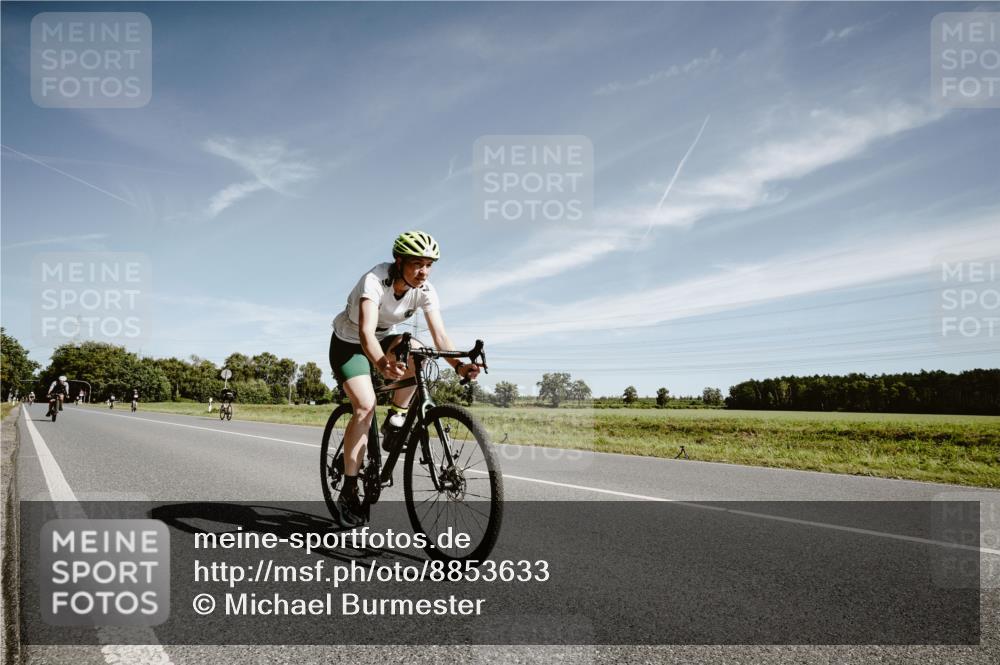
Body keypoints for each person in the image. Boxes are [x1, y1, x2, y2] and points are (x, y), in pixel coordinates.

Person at [329, 231, 479, 527]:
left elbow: (440, 336)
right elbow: (365, 333)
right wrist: (383, 363)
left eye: (429, 264)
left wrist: (459, 366)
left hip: (384, 339)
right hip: (350, 343)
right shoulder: (375, 280)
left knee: (420, 350)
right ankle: (348, 490)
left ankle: (397, 418)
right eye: (417, 264)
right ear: (399, 261)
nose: (423, 271)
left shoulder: (425, 290)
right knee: (365, 405)